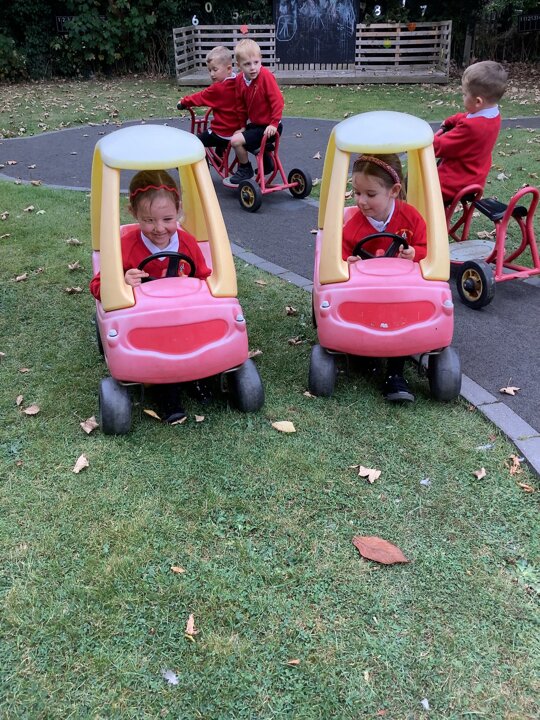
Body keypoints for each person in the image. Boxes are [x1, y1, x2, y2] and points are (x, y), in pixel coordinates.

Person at [90, 169, 212, 422]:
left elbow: (204, 278)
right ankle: (165, 390)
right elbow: (97, 286)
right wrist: (122, 281)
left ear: (179, 210)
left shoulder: (187, 244)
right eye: (148, 220)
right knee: (159, 351)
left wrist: (192, 284)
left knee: (197, 340)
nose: (159, 228)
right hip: (144, 325)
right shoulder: (124, 246)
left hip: (182, 318)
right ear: (133, 213)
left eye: (167, 219)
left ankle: (198, 374)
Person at [342, 153, 427, 403]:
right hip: (367, 294)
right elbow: (340, 255)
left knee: (399, 317)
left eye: (370, 194)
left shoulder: (410, 218)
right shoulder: (353, 227)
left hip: (402, 293)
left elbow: (428, 248)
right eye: (357, 193)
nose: (361, 201)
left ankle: (395, 372)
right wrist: (349, 262)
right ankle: (365, 354)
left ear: (394, 191)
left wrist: (415, 253)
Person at [434, 60, 508, 204]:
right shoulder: (493, 115)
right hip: (474, 176)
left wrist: (424, 140)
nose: (462, 97)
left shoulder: (472, 128)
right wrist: (451, 121)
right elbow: (467, 116)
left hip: (455, 182)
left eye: (464, 94)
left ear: (478, 101)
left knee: (416, 184)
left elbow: (441, 146)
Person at [228, 38, 285, 185]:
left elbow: (278, 101)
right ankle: (267, 162)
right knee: (239, 135)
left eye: (256, 62)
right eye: (247, 64)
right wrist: (242, 126)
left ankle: (245, 169)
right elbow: (240, 106)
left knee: (236, 141)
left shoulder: (265, 76)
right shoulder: (240, 80)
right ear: (238, 65)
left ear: (261, 60)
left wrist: (273, 123)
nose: (253, 68)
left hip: (271, 127)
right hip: (257, 126)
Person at [177, 46, 239, 159]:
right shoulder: (239, 82)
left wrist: (183, 102)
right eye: (210, 70)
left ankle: (202, 165)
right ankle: (219, 159)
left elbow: (200, 97)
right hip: (237, 133)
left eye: (215, 70)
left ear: (229, 69)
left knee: (196, 142)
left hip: (222, 134)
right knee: (223, 127)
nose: (212, 74)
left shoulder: (217, 89)